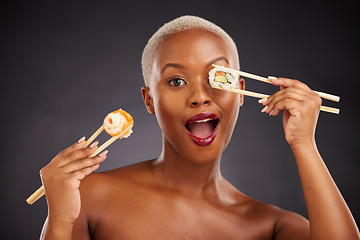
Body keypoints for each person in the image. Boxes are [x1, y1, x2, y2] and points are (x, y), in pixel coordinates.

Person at [39, 16, 359, 239]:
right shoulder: (87, 198)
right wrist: (60, 221)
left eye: (217, 78)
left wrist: (304, 144)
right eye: (177, 81)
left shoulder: (273, 226)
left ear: (241, 91)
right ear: (150, 100)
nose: (200, 97)